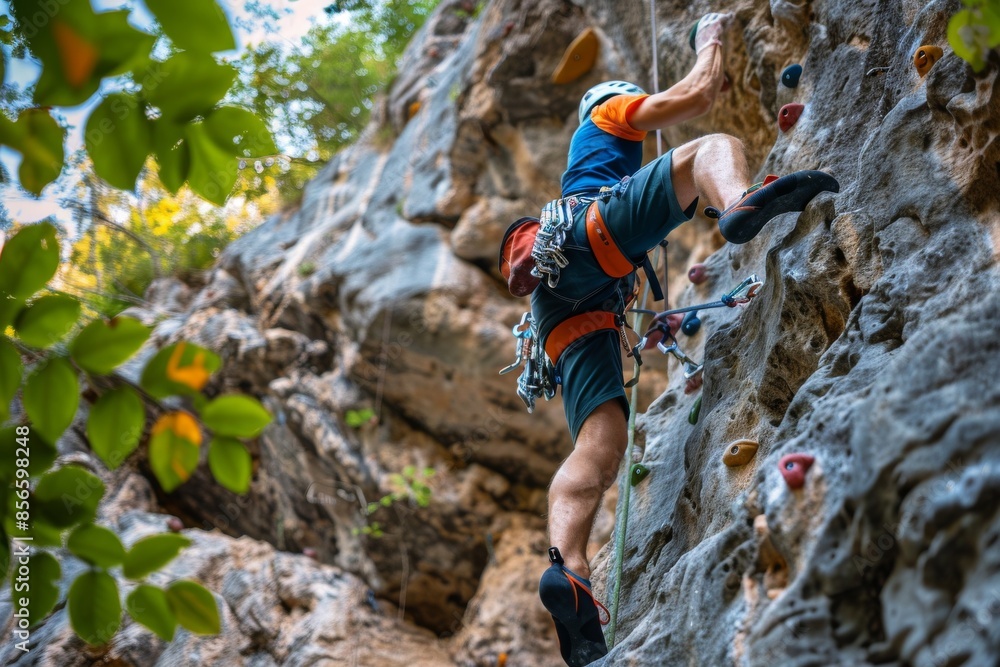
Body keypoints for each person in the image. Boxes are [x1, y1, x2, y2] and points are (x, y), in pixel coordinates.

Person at [508, 12, 840, 667]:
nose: (635, 124)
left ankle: (567, 566)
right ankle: (741, 200)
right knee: (710, 143)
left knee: (599, 447)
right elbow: (695, 97)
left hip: (569, 314)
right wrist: (708, 39)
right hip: (587, 239)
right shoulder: (606, 117)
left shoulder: (591, 161)